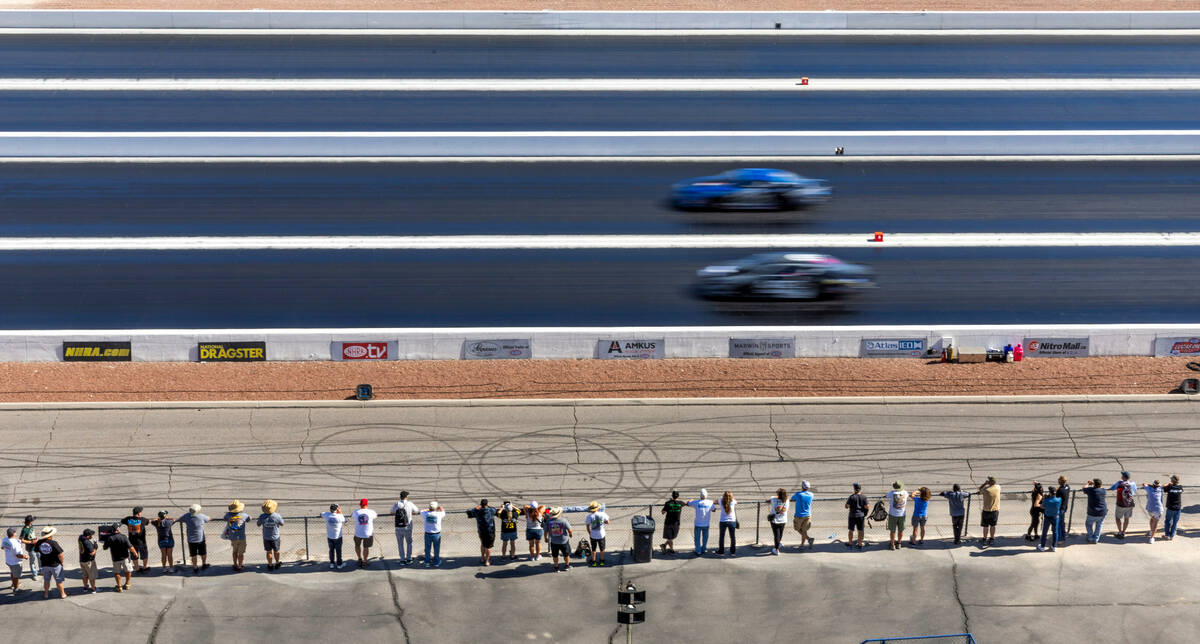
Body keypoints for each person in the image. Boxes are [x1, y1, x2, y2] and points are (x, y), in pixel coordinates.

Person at [103, 522, 138, 592]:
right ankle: (127, 584)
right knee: (128, 571)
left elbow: (104, 548)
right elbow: (130, 547)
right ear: (118, 529)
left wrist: (105, 542)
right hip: (125, 557)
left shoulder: (109, 538)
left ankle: (119, 586)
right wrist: (135, 554)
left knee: (117, 573)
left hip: (115, 558)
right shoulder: (123, 537)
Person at [35, 526, 66, 599]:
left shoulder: (39, 542)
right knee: (59, 580)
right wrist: (62, 563)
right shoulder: (53, 543)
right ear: (50, 535)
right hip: (55, 564)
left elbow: (36, 550)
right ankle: (63, 594)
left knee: (46, 580)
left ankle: (46, 594)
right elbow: (60, 554)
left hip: (45, 564)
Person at [179, 504, 210, 573]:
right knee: (203, 553)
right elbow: (208, 519)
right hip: (200, 538)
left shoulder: (187, 515)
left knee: (193, 554)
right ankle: (204, 564)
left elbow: (180, 519)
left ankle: (195, 567)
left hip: (191, 539)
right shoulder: (201, 516)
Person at [466, 498, 498, 566]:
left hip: (481, 531)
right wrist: (488, 506)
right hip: (490, 531)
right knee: (488, 547)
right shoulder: (491, 510)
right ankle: (487, 561)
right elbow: (495, 509)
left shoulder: (477, 511)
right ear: (487, 503)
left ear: (481, 504)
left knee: (483, 544)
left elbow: (469, 512)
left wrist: (476, 508)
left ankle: (482, 558)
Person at [390, 491, 418, 565]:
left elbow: (391, 512)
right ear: (406, 497)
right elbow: (416, 511)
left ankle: (402, 559)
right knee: (409, 543)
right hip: (408, 527)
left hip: (398, 527)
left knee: (400, 544)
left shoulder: (397, 504)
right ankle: (409, 558)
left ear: (400, 497)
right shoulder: (409, 503)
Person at [121, 506, 151, 574]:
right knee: (144, 555)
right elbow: (149, 521)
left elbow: (122, 521)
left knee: (134, 555)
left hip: (132, 542)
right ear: (139, 513)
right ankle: (144, 567)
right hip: (142, 542)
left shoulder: (128, 519)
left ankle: (137, 569)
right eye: (141, 512)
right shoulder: (143, 519)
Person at [222, 500, 251, 572]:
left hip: (233, 537)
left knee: (234, 551)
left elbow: (224, 518)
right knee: (240, 553)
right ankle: (240, 566)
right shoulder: (244, 515)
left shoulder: (228, 515)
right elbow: (249, 519)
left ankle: (235, 564)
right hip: (241, 537)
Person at [349, 498, 378, 568]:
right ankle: (365, 561)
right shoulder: (371, 512)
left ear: (360, 504)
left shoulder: (356, 512)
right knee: (366, 547)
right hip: (368, 533)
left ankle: (359, 559)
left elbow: (352, 515)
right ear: (367, 504)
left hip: (358, 533)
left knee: (357, 546)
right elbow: (376, 516)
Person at [543, 507, 573, 572]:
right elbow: (570, 530)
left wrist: (545, 538)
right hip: (563, 541)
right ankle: (567, 566)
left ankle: (556, 567)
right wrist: (570, 535)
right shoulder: (563, 520)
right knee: (566, 554)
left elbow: (545, 531)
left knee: (555, 555)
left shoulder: (548, 521)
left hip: (554, 541)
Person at [257, 499, 285, 570]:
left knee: (268, 551)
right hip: (275, 536)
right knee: (276, 551)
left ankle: (270, 565)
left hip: (266, 537)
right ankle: (277, 563)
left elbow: (258, 524)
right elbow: (282, 523)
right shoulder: (277, 516)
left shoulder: (262, 516)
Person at [687, 489, 716, 556]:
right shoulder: (710, 502)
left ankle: (698, 550)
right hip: (706, 523)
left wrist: (691, 500)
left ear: (700, 495)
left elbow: (688, 503)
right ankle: (703, 549)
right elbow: (714, 510)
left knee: (697, 538)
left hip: (698, 524)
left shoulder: (696, 502)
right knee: (705, 537)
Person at [1110, 471, 1137, 539]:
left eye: (1122, 475)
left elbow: (1112, 488)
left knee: (1118, 518)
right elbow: (1135, 489)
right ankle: (1123, 532)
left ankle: (1120, 532)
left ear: (1124, 477)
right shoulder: (1132, 483)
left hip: (1121, 504)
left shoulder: (1120, 483)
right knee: (1126, 518)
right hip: (1130, 504)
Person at [420, 501, 446, 568]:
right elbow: (443, 512)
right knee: (436, 548)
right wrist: (440, 508)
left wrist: (428, 509)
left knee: (427, 548)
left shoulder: (425, 514)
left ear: (429, 507)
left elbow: (421, 511)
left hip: (428, 534)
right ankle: (436, 562)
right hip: (436, 534)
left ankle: (427, 562)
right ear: (436, 507)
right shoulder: (439, 514)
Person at [320, 504, 346, 569]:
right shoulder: (340, 516)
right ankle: (339, 564)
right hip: (338, 537)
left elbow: (321, 514)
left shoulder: (327, 515)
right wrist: (340, 512)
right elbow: (345, 520)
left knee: (331, 550)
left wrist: (328, 513)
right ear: (336, 509)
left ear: (330, 509)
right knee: (338, 551)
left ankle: (332, 563)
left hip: (330, 536)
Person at [791, 481, 815, 550]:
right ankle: (802, 544)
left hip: (799, 515)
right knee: (804, 530)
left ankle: (808, 539)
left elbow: (792, 499)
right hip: (807, 515)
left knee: (797, 529)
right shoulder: (811, 494)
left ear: (802, 487)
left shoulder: (798, 494)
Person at [585, 501, 611, 567]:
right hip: (601, 534)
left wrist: (590, 533)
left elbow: (587, 526)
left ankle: (593, 561)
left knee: (593, 549)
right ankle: (602, 561)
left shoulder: (589, 516)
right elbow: (608, 522)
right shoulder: (603, 514)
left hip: (593, 534)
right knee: (602, 548)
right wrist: (602, 522)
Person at [1082, 478, 1107, 543]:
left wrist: (1088, 483)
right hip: (1102, 512)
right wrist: (1094, 484)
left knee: (1088, 524)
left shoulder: (1090, 490)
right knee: (1099, 525)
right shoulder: (1103, 490)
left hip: (1092, 512)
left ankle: (1090, 537)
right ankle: (1096, 539)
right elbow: (1100, 487)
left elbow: (1084, 488)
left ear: (1094, 485)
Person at [4, 527, 29, 592]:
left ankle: (14, 584)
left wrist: (10, 551)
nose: (16, 533)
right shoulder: (15, 543)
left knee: (12, 572)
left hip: (8, 561)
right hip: (15, 563)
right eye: (15, 532)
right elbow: (18, 555)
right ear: (14, 534)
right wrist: (25, 556)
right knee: (16, 576)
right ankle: (16, 589)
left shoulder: (5, 539)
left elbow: (2, 547)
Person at [978, 477, 1001, 547]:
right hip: (995, 510)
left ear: (989, 482)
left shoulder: (986, 489)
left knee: (985, 526)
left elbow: (979, 489)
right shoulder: (998, 487)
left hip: (986, 511)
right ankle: (992, 538)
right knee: (993, 526)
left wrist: (985, 483)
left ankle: (984, 539)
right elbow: (996, 485)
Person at [886, 482, 909, 550]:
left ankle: (892, 544)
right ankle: (899, 543)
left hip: (893, 514)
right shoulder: (905, 492)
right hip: (902, 514)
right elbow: (907, 495)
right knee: (901, 530)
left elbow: (887, 496)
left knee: (892, 531)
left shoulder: (892, 493)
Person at [845, 483, 869, 550]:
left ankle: (850, 543)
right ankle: (860, 544)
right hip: (861, 516)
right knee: (860, 531)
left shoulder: (851, 497)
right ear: (860, 489)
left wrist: (850, 505)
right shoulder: (864, 497)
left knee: (851, 530)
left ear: (854, 489)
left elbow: (846, 506)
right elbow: (867, 506)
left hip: (852, 515)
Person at [1039, 486, 1061, 552]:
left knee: (1044, 532)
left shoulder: (1046, 500)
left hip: (1048, 517)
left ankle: (1042, 546)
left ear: (1050, 493)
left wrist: (1044, 499)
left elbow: (1042, 506)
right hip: (1055, 517)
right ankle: (1054, 546)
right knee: (1055, 532)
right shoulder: (1059, 500)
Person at [715, 491, 738, 556]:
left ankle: (721, 551)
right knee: (732, 537)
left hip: (723, 521)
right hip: (732, 521)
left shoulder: (720, 500)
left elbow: (715, 501)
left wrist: (721, 498)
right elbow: (737, 502)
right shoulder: (733, 501)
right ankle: (732, 552)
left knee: (722, 537)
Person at [767, 488, 788, 555]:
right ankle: (778, 544)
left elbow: (771, 498)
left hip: (775, 520)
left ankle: (776, 550)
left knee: (776, 535)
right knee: (780, 533)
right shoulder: (786, 500)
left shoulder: (773, 499)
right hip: (783, 519)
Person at [78, 528, 99, 593]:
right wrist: (95, 546)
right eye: (91, 535)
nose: (92, 536)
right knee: (92, 576)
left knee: (85, 575)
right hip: (88, 562)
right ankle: (93, 589)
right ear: (87, 536)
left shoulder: (80, 538)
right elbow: (92, 553)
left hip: (82, 560)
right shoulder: (87, 542)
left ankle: (85, 587)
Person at [1163, 475, 1184, 541]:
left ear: (1172, 480)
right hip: (1178, 508)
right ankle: (1172, 536)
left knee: (1168, 521)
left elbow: (1163, 486)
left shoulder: (1169, 487)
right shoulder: (1180, 487)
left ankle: (1167, 535)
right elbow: (1181, 490)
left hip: (1171, 507)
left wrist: (1168, 483)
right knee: (1175, 522)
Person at [1056, 476, 1071, 541]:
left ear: (1060, 482)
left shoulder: (1059, 490)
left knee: (1058, 524)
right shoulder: (1067, 487)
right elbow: (1063, 487)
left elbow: (1056, 498)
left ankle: (1059, 539)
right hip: (1064, 508)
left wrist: (1057, 490)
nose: (1058, 480)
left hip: (1060, 508)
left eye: (1058, 480)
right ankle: (1064, 536)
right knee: (1062, 523)